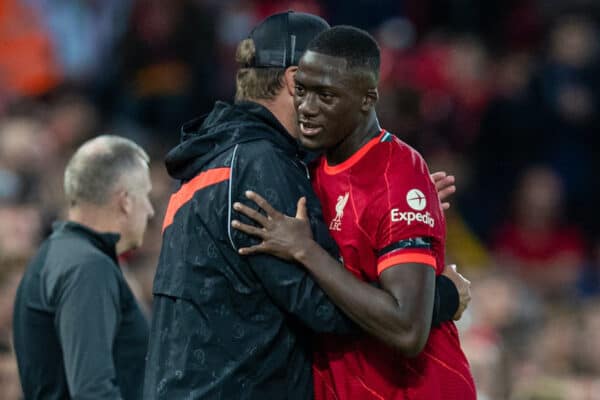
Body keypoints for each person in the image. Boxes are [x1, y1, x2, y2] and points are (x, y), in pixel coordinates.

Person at [144, 11, 468, 400]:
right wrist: (440, 298)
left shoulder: (209, 160)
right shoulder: (263, 165)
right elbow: (322, 308)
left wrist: (387, 205)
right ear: (297, 79)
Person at [231, 26, 476, 399]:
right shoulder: (311, 171)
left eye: (326, 95)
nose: (307, 107)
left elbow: (407, 330)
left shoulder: (398, 174)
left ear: (367, 99)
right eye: (303, 91)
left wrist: (306, 251)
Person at [13, 135, 154, 400]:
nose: (149, 210)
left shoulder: (61, 254)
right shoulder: (88, 267)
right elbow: (92, 391)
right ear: (125, 201)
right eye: (145, 195)